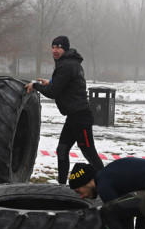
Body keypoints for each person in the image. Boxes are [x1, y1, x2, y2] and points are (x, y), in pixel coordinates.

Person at [26, 36, 104, 184]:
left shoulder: (67, 65)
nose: (54, 51)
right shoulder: (68, 63)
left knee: (89, 152)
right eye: (53, 47)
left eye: (58, 47)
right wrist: (50, 82)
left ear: (65, 49)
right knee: (62, 150)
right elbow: (66, 83)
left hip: (81, 117)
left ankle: (106, 182)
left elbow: (53, 92)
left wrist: (35, 86)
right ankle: (61, 185)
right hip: (73, 117)